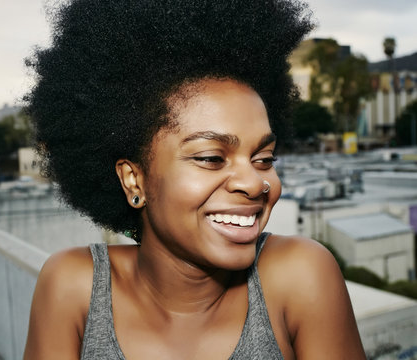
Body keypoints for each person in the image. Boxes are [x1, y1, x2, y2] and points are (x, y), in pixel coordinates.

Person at [23, 0, 366, 358]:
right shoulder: (74, 288)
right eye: (211, 158)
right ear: (133, 181)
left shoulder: (301, 275)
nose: (254, 184)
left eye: (264, 159)